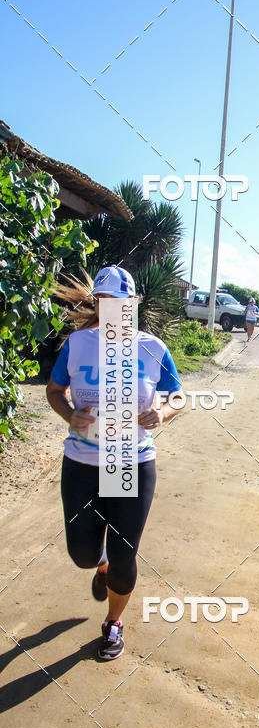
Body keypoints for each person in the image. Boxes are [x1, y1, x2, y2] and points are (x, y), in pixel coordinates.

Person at [46, 266, 183, 661]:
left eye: (120, 303)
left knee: (126, 553)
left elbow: (176, 396)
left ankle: (113, 624)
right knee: (84, 555)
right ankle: (99, 563)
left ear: (133, 304)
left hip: (131, 459)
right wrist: (70, 414)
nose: (113, 310)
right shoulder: (78, 344)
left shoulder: (152, 348)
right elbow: (56, 390)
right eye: (105, 302)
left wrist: (163, 413)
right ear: (98, 304)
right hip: (83, 462)